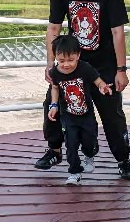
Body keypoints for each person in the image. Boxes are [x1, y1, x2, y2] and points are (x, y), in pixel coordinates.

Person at [34, 0, 130, 180]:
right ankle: (54, 150)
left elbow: (117, 32)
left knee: (112, 115)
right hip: (73, 64)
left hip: (104, 65)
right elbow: (53, 28)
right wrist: (51, 64)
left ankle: (123, 159)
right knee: (52, 104)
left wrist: (121, 69)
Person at [47, 34, 112, 185]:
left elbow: (98, 81)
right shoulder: (55, 72)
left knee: (89, 141)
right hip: (68, 116)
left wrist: (103, 87)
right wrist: (53, 105)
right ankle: (74, 172)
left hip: (86, 115)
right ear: (56, 57)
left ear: (78, 55)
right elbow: (55, 88)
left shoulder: (85, 68)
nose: (66, 64)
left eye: (70, 60)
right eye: (61, 60)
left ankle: (89, 154)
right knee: (71, 144)